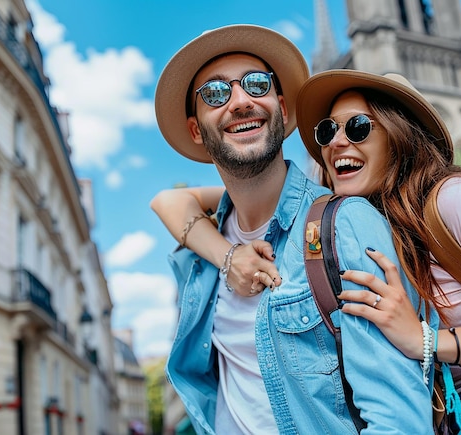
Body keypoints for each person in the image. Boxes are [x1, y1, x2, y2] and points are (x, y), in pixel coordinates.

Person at [157, 68, 461, 434]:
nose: (336, 142)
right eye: (327, 131)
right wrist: (228, 255)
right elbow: (173, 201)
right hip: (454, 415)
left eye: (358, 127)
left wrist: (429, 342)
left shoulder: (451, 199)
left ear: (399, 135)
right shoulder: (352, 215)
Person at [151, 25, 437, 435]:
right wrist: (228, 256)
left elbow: (401, 423)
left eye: (256, 84)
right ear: (196, 129)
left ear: (281, 107)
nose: (240, 101)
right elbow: (166, 200)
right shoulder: (203, 250)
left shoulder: (345, 224)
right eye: (215, 94)